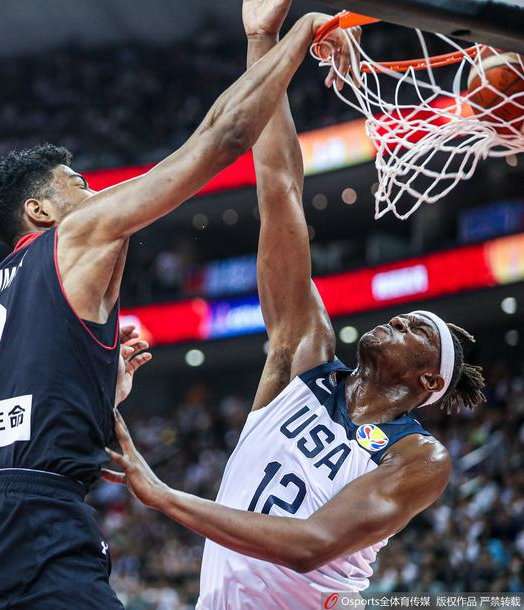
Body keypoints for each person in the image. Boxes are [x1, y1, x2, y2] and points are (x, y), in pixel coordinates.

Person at [0, 9, 356, 610]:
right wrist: (299, 32)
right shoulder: (74, 236)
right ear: (40, 211)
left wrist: (97, 390)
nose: (95, 193)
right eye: (79, 184)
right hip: (34, 523)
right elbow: (224, 137)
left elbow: (19, 408)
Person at [101, 1, 487, 608]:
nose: (397, 318)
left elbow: (313, 544)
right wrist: (264, 41)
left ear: (427, 381)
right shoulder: (303, 356)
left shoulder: (419, 456)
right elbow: (280, 191)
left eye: (415, 327)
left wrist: (164, 495)